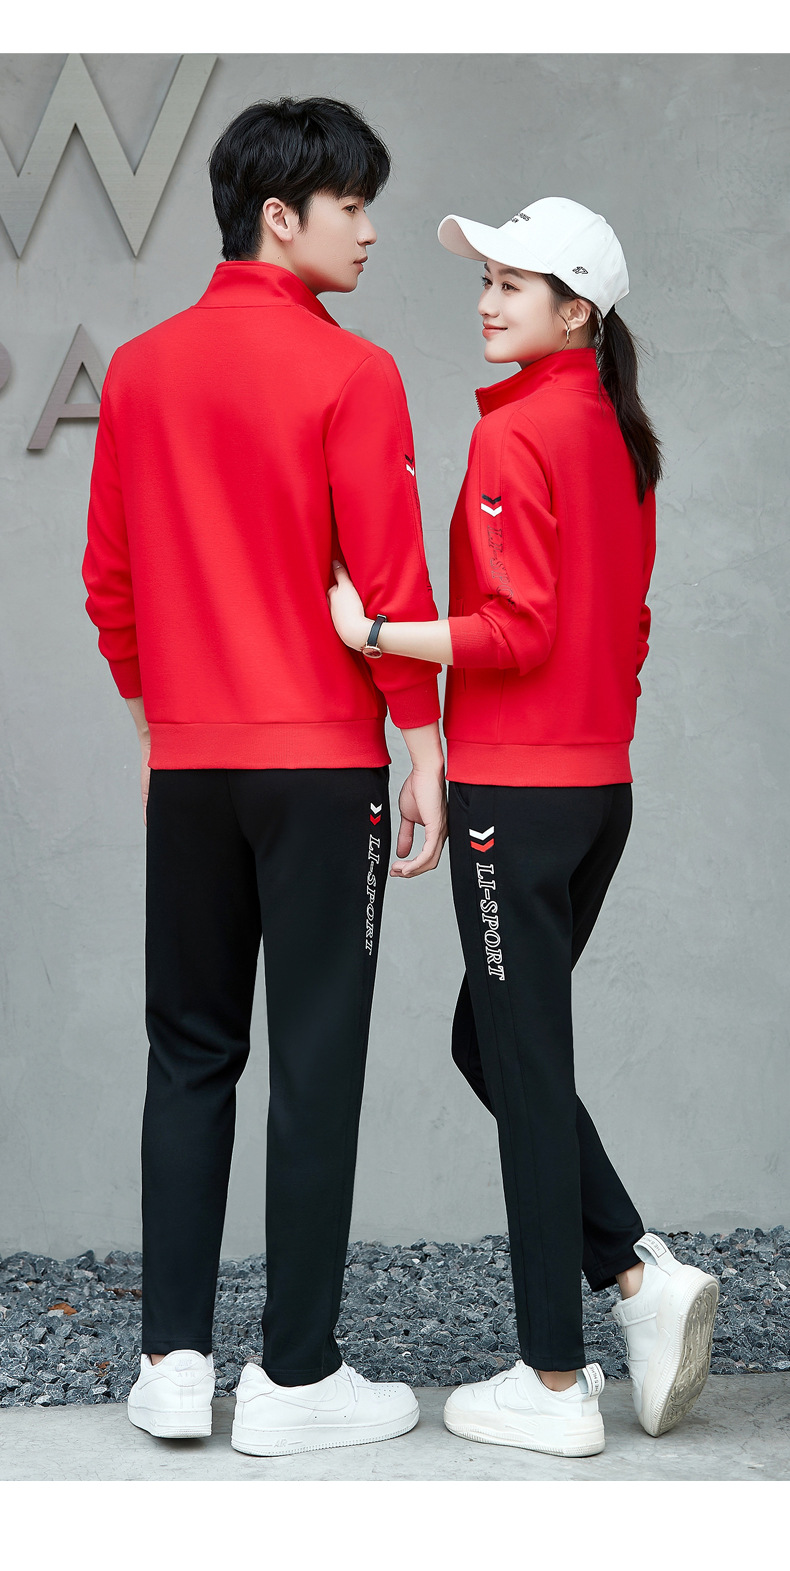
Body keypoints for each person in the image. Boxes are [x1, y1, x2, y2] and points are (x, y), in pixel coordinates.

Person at [82, 96, 448, 1458]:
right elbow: (389, 581)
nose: (370, 229)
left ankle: (173, 1363)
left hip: (190, 767)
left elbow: (108, 581)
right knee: (316, 1057)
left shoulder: (138, 370)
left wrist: (154, 730)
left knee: (188, 1053)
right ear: (279, 216)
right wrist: (423, 744)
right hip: (321, 771)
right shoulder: (354, 372)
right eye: (352, 204)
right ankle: (294, 1375)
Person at [328, 195, 720, 1458]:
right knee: (497, 1043)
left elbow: (518, 629)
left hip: (521, 799)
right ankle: (634, 1270)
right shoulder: (617, 431)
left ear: (577, 309)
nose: (488, 300)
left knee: (523, 1060)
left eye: (513, 281)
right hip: (596, 792)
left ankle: (553, 1380)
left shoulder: (517, 434)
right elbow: (626, 628)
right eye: (485, 278)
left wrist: (373, 631)